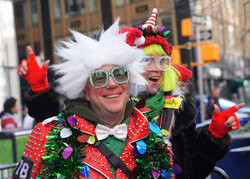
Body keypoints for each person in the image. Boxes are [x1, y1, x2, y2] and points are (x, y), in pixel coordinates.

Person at [16, 11, 245, 179]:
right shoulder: (54, 131)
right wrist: (40, 91)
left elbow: (191, 170)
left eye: (119, 74)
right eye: (147, 59)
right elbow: (59, 127)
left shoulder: (160, 129)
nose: (112, 84)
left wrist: (214, 136)